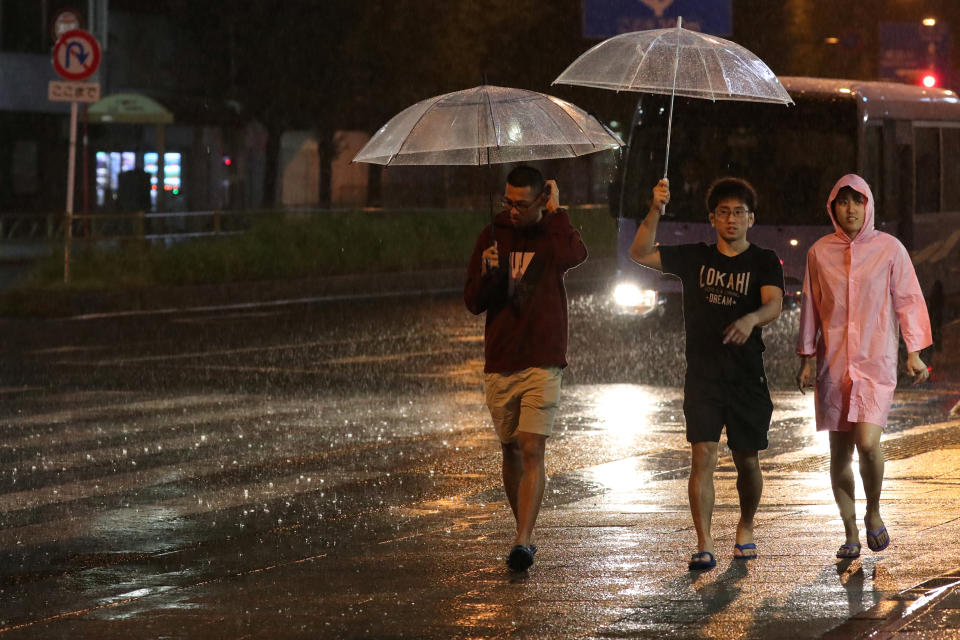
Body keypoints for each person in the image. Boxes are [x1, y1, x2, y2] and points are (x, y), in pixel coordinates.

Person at [630, 177, 784, 570]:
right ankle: (704, 542)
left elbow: (773, 304)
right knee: (703, 455)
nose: (731, 219)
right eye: (724, 212)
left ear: (752, 218)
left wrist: (751, 320)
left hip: (747, 377)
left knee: (747, 460)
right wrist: (655, 209)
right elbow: (640, 252)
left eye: (739, 212)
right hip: (703, 377)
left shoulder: (763, 260)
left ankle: (746, 525)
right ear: (711, 218)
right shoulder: (695, 256)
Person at [796, 174, 931, 559]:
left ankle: (873, 510)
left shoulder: (889, 249)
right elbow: (811, 305)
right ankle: (850, 531)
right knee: (839, 453)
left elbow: (908, 299)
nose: (850, 209)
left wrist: (914, 350)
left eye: (858, 201)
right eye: (843, 201)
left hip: (876, 362)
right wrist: (806, 357)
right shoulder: (819, 252)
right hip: (834, 363)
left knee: (868, 443)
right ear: (832, 207)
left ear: (869, 205)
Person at [464, 165, 588, 572]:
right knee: (510, 449)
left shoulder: (553, 233)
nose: (513, 210)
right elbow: (473, 301)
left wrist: (558, 213)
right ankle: (525, 532)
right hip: (501, 359)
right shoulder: (493, 234)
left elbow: (575, 255)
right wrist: (486, 273)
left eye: (522, 203)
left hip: (543, 357)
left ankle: (523, 539)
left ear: (541, 201)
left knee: (533, 446)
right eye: (508, 202)